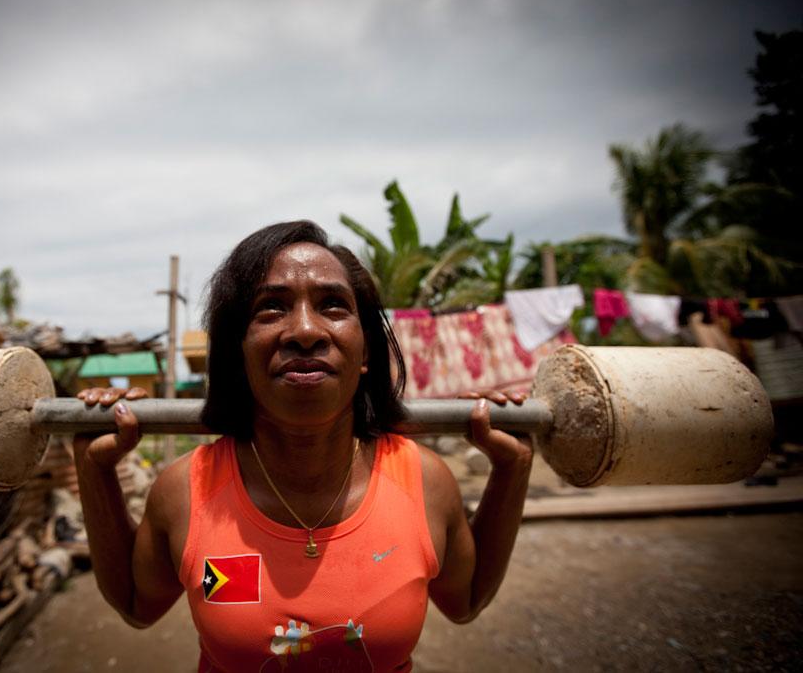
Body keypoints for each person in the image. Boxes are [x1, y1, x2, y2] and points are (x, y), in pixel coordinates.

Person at [74, 221, 531, 672]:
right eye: (270, 309)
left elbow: (466, 600)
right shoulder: (186, 491)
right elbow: (137, 605)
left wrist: (513, 469)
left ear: (367, 351)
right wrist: (94, 468)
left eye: (333, 305)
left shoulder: (424, 481)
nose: (306, 331)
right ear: (238, 351)